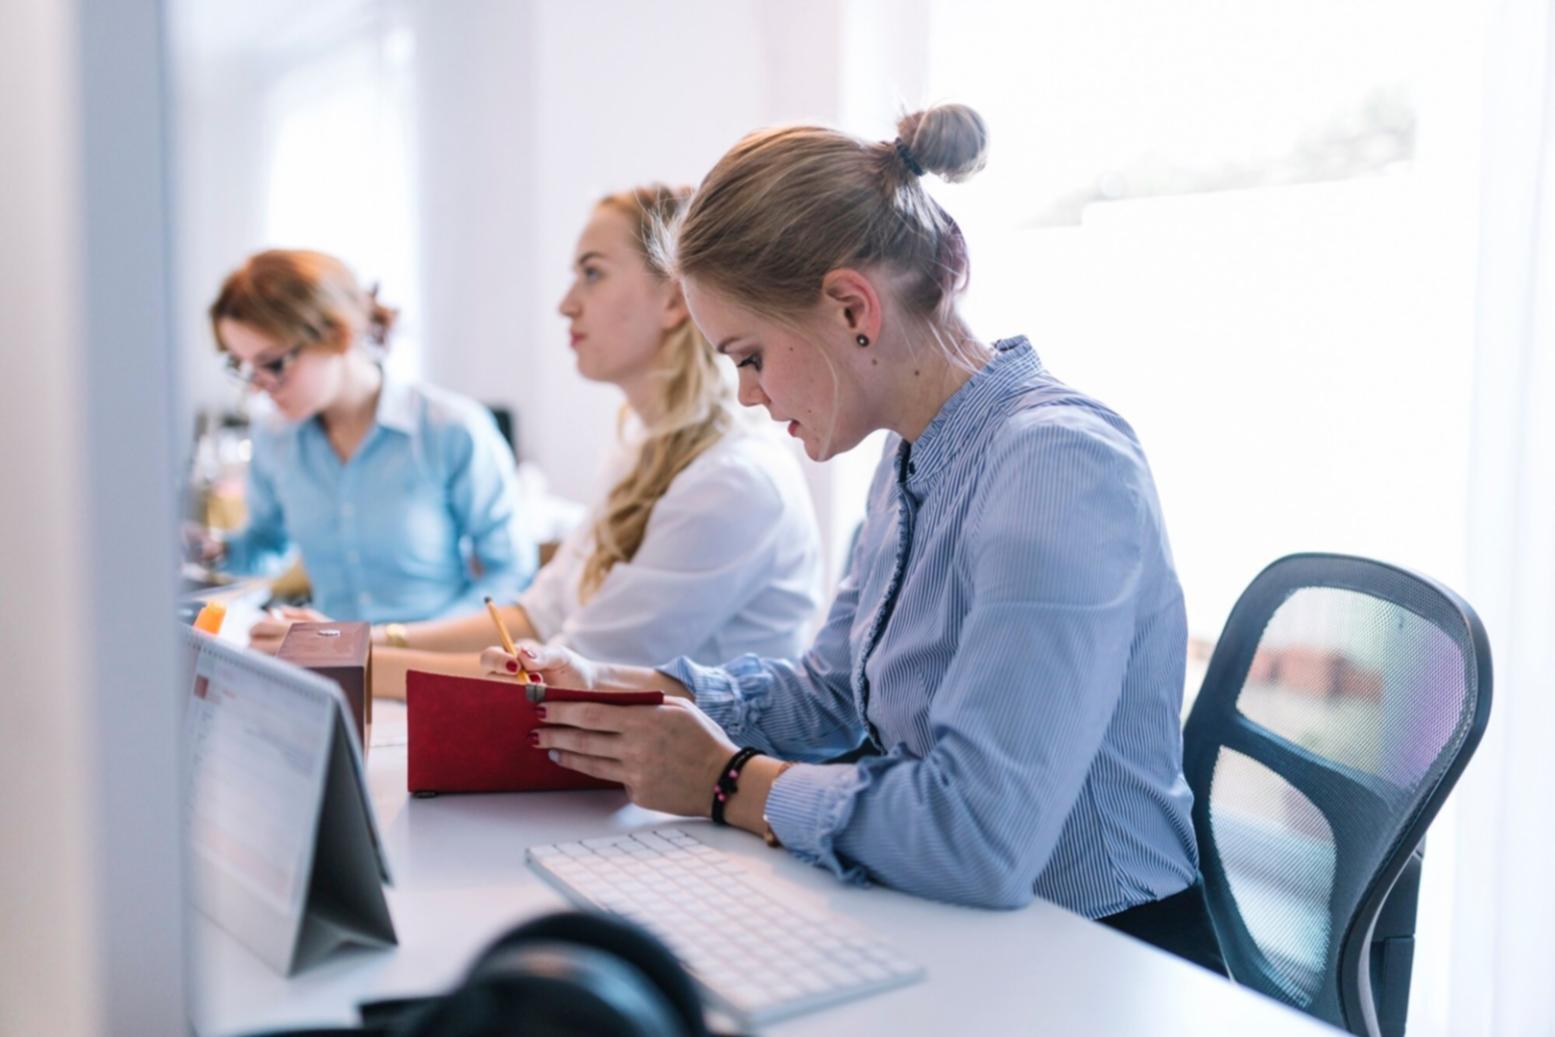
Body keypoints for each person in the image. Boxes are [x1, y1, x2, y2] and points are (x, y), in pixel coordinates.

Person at [481, 105, 1225, 973]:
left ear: (850, 307)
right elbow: (832, 696)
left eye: (750, 354)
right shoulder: (911, 455)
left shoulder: (1055, 464)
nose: (749, 394)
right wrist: (631, 687)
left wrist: (728, 784)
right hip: (965, 926)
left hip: (1100, 956)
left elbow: (980, 833)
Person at [344, 185, 824, 698]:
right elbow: (536, 617)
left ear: (674, 297)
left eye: (591, 274)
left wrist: (352, 663)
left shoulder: (730, 480)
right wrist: (359, 644)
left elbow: (570, 675)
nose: (566, 304)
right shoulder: (643, 452)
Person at [197, 249, 536, 626]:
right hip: (331, 666)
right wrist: (212, 549)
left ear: (339, 336)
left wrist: (407, 645)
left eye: (272, 364)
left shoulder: (451, 430)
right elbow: (267, 545)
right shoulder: (274, 437)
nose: (258, 389)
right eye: (242, 366)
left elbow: (511, 573)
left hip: (433, 664)